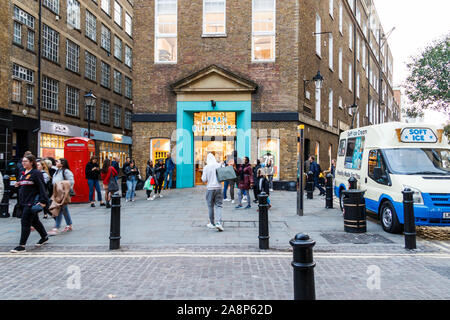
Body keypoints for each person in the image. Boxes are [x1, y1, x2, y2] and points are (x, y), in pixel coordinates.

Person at [10, 154, 49, 253]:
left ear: (31, 162)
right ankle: (44, 236)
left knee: (25, 222)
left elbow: (42, 187)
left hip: (31, 202)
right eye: (23, 161)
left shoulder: (36, 173)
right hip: (23, 202)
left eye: (25, 161)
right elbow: (23, 185)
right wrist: (17, 184)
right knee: (35, 221)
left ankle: (21, 246)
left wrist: (43, 201)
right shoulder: (23, 173)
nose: (23, 163)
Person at [47, 159, 75, 235]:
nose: (56, 163)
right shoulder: (57, 171)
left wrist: (63, 188)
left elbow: (71, 182)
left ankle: (56, 227)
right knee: (64, 209)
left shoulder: (66, 171)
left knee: (59, 209)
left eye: (57, 162)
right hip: (57, 192)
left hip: (63, 193)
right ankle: (69, 224)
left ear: (62, 164)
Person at [201, 153, 224, 232]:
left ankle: (212, 223)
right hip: (219, 188)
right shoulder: (219, 165)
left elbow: (204, 179)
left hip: (210, 188)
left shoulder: (206, 167)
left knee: (210, 206)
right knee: (219, 205)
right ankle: (219, 223)